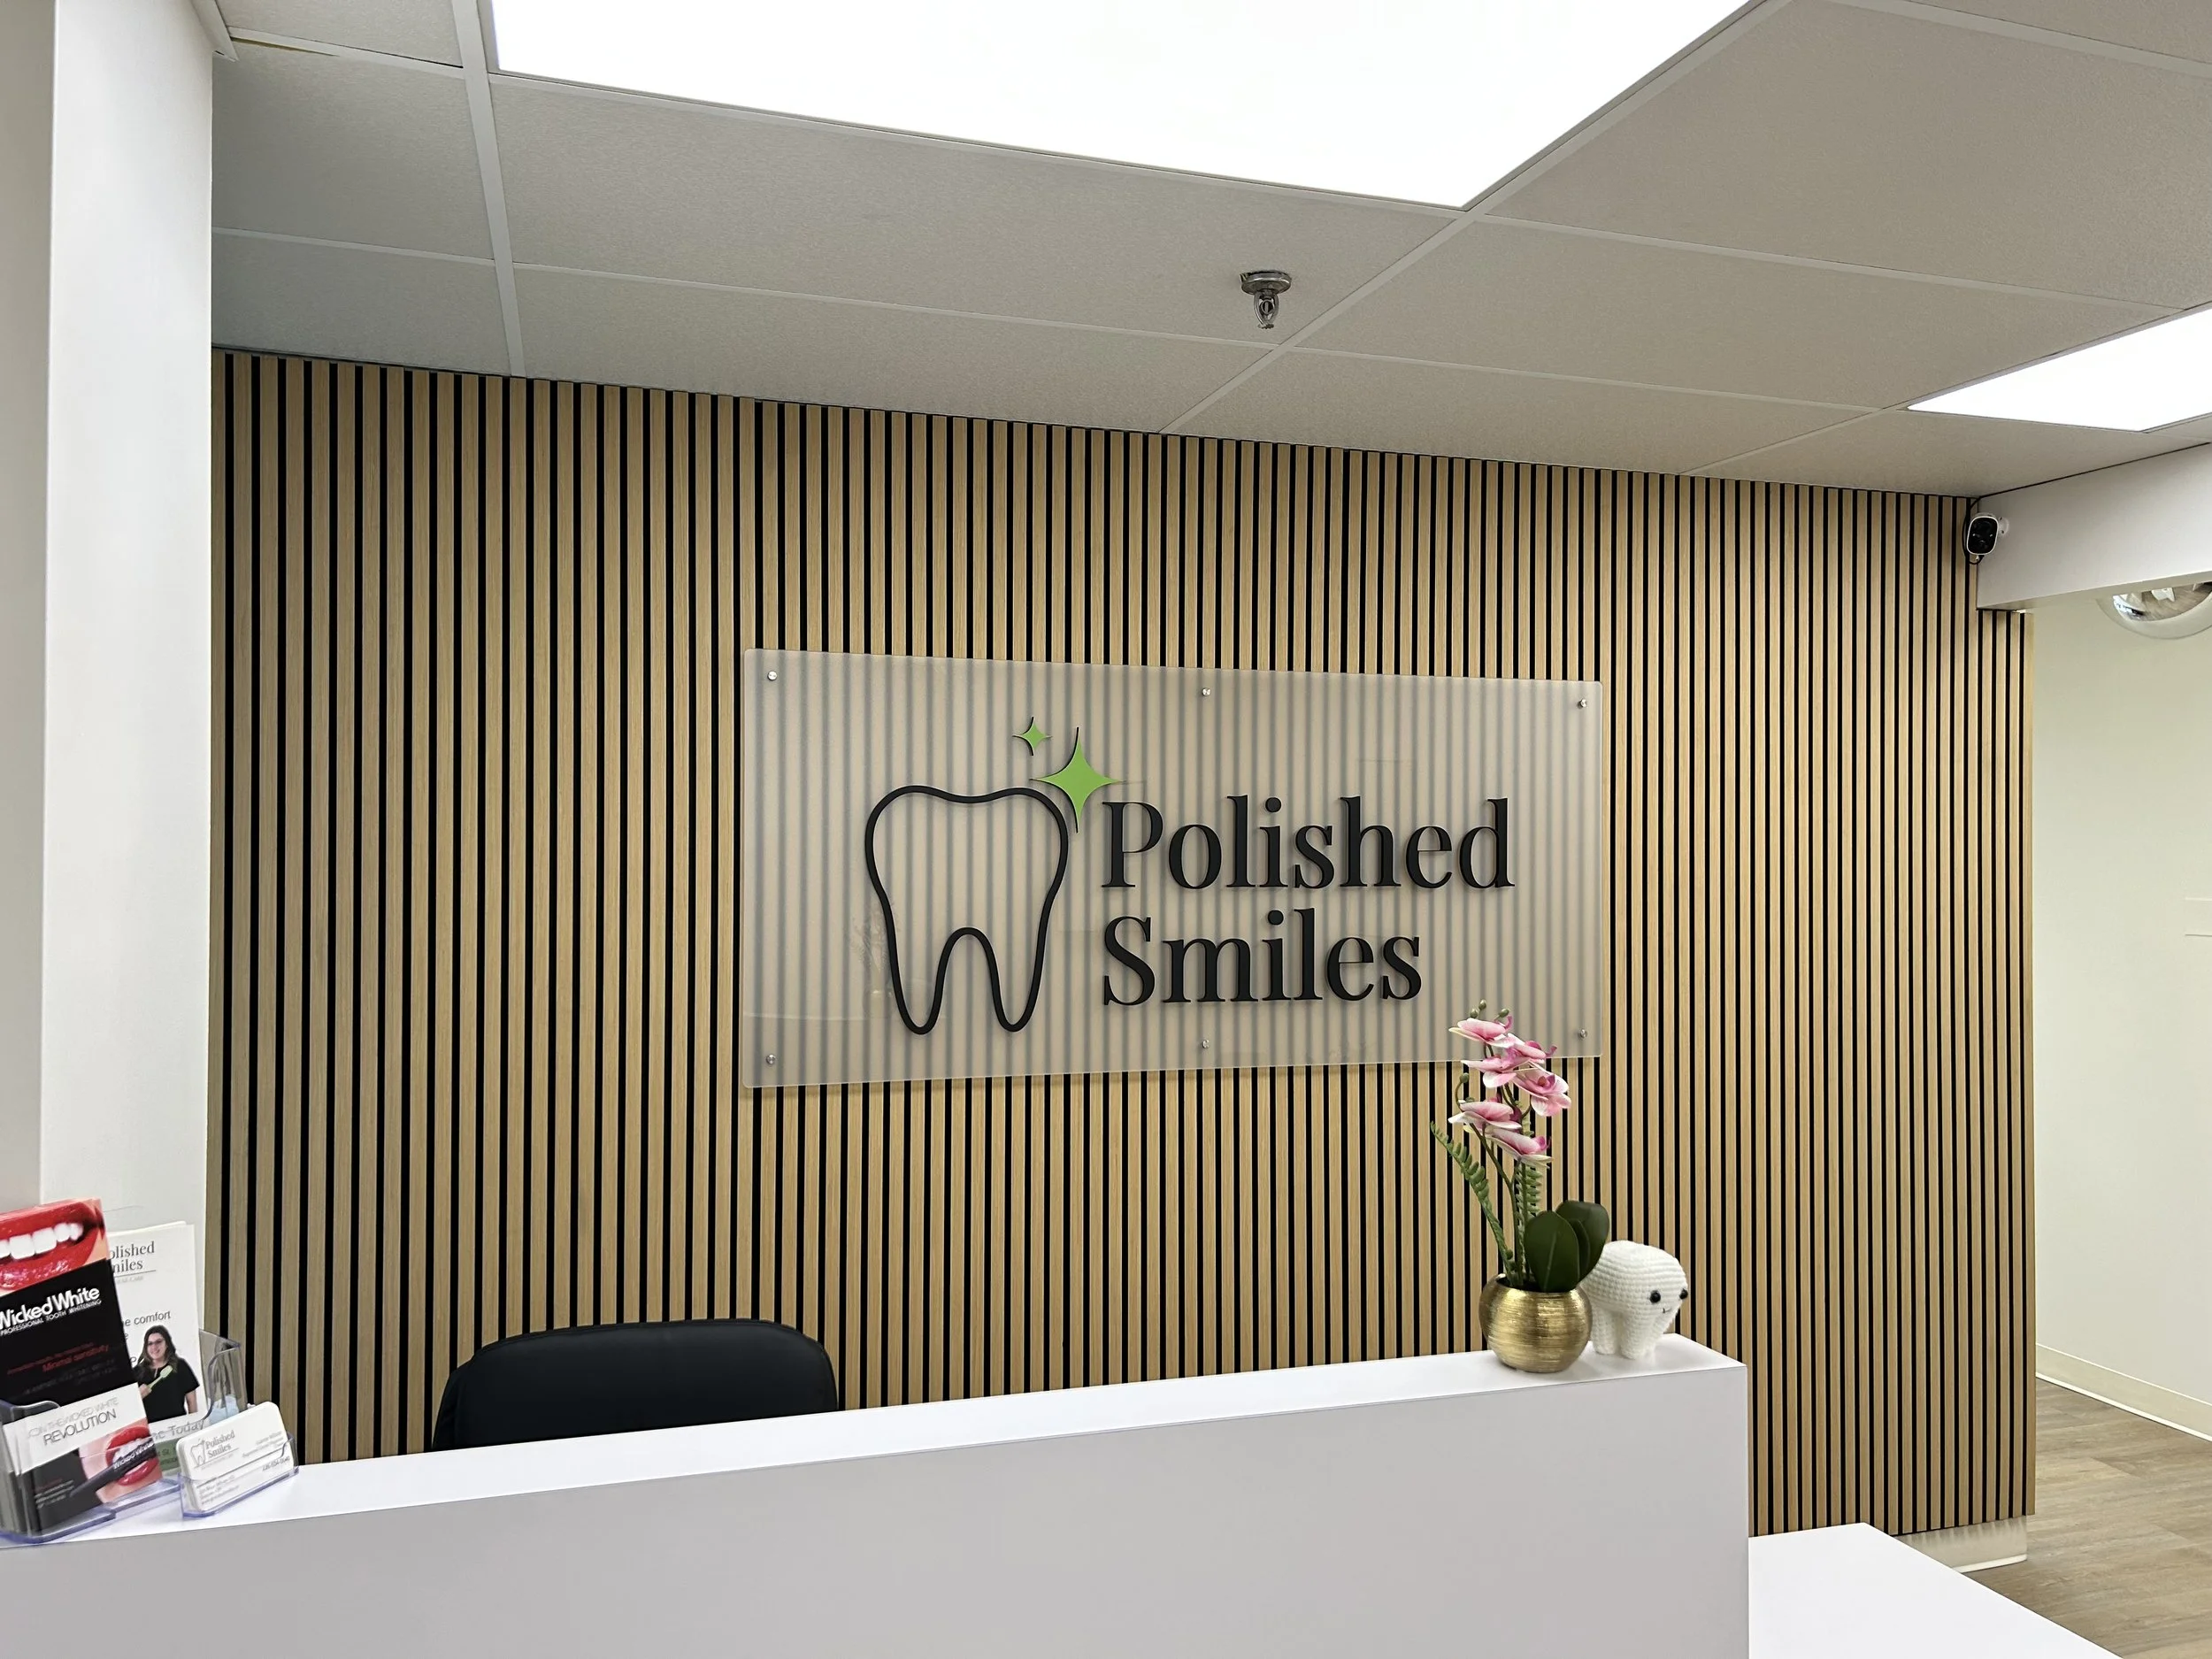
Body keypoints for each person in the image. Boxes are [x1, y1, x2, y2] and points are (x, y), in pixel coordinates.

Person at [134, 1325, 201, 1423]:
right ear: (146, 1347)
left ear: (167, 1344)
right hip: (149, 1432)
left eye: (159, 1342)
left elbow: (191, 1402)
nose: (154, 1347)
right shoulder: (137, 1372)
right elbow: (128, 1410)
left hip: (177, 1428)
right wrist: (137, 1396)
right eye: (150, 1343)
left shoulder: (181, 1366)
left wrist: (194, 1427)